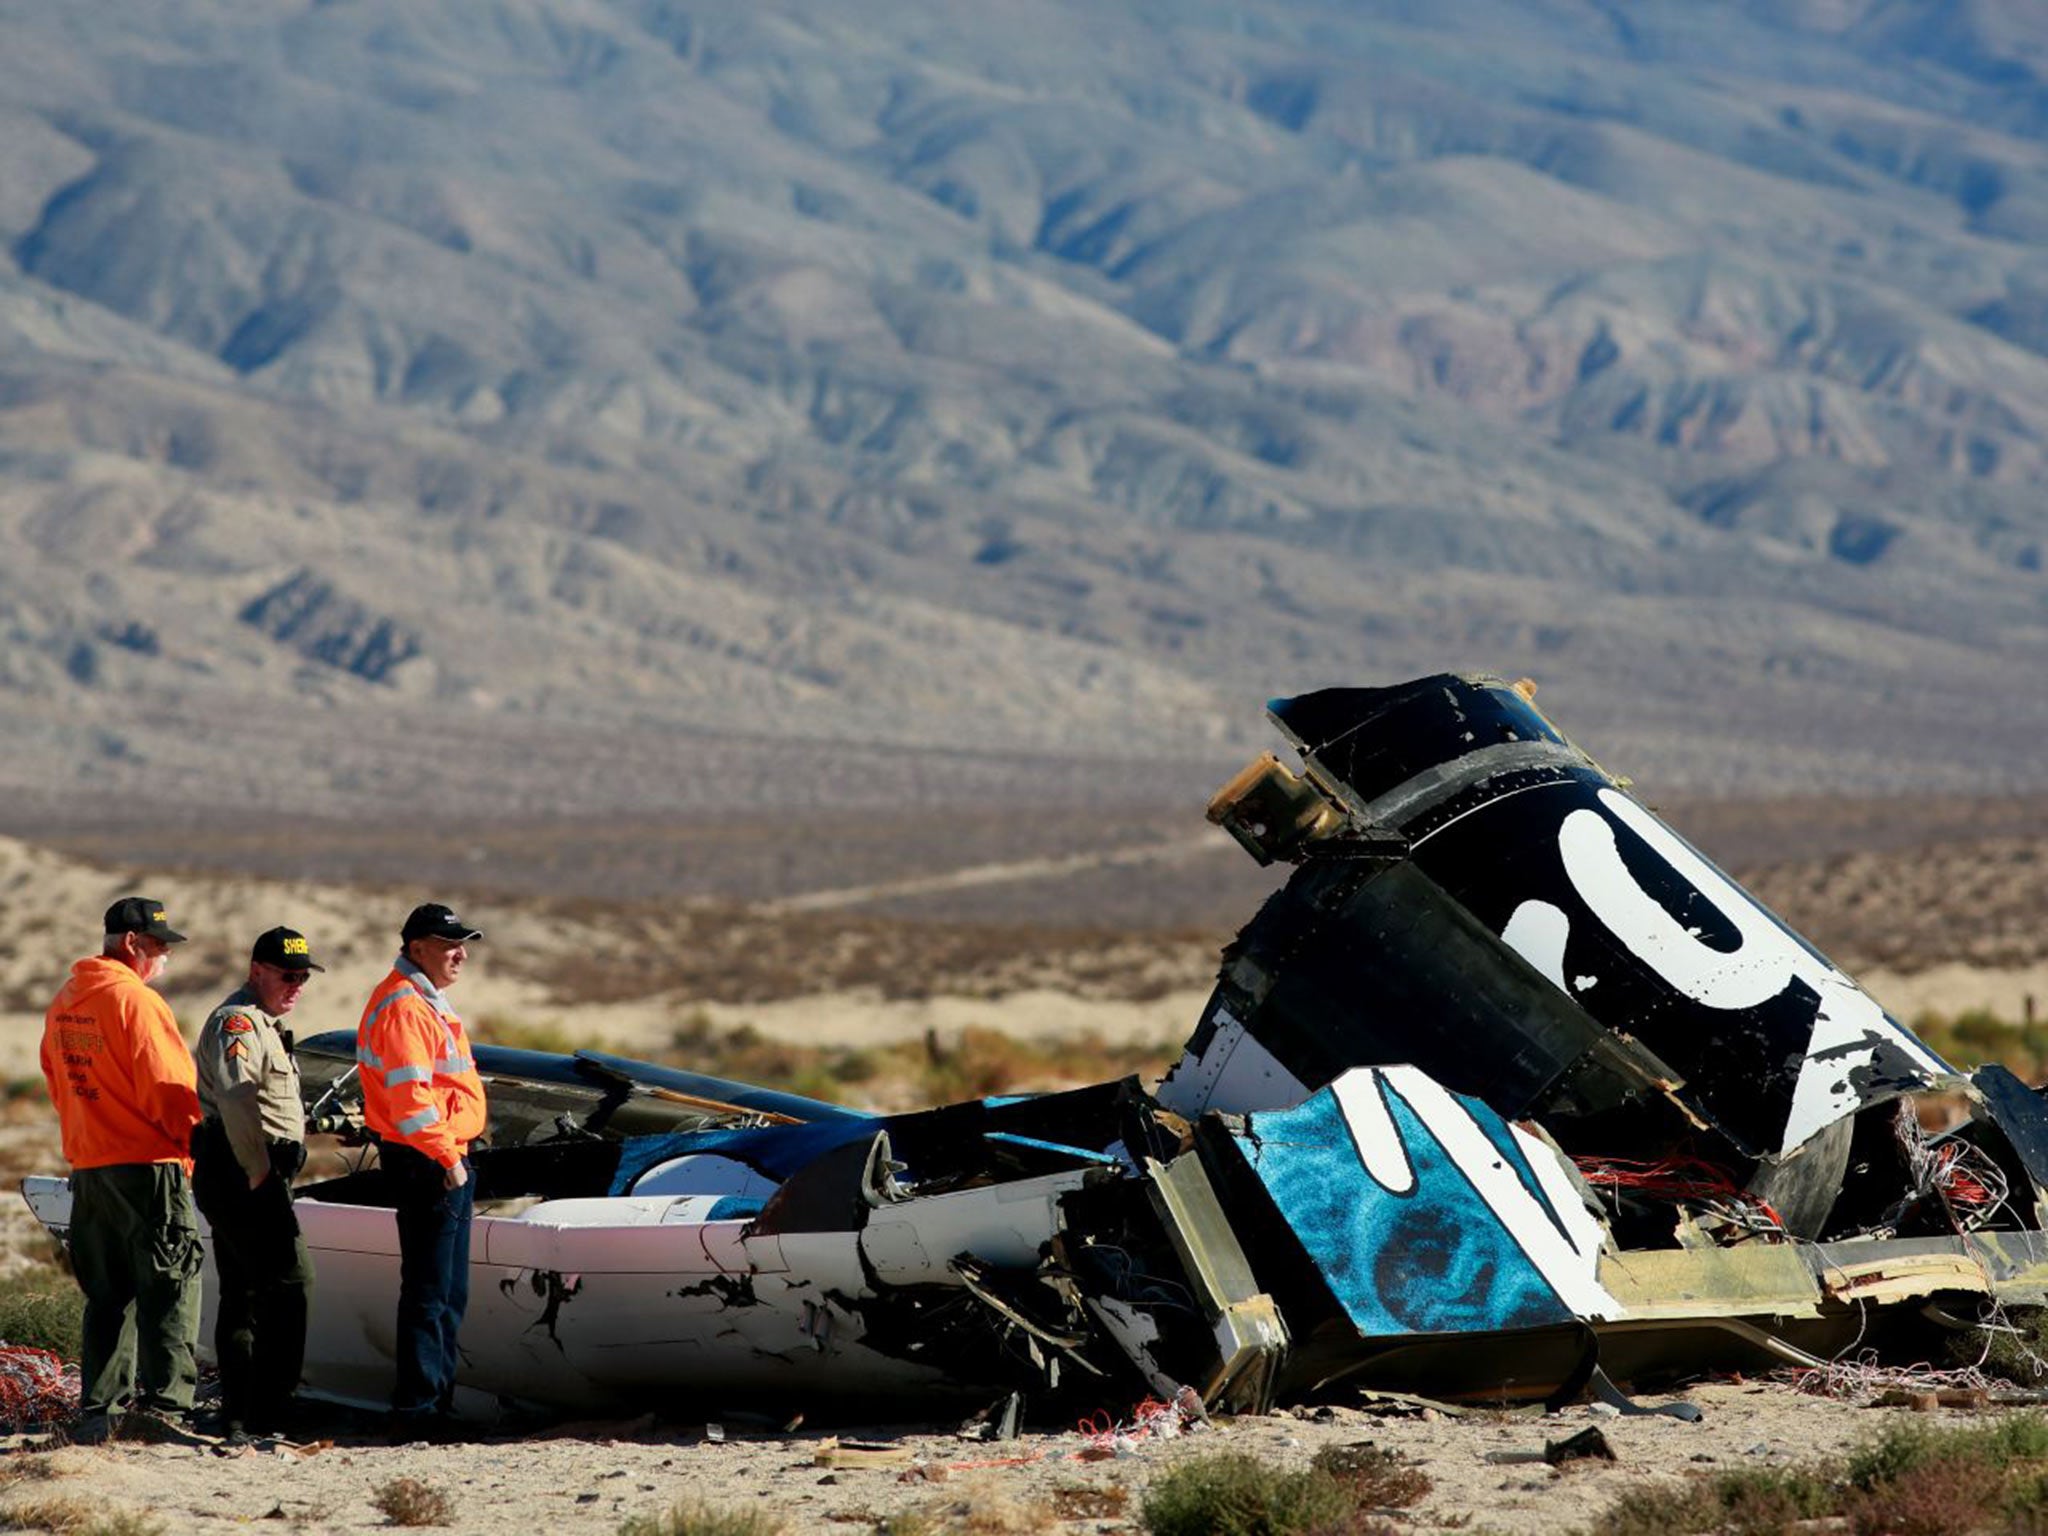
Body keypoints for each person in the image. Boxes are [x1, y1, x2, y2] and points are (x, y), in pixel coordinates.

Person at [39, 897, 205, 1443]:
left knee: (108, 1294)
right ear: (131, 944)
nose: (163, 957)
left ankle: (99, 1411)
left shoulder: (66, 1001)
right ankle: (167, 1409)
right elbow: (168, 1089)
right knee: (170, 1286)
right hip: (149, 1165)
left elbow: (55, 1077)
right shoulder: (136, 1000)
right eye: (158, 945)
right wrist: (193, 1146)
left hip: (90, 1165)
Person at [355, 902, 486, 1440]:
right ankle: (419, 1413)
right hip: (430, 1161)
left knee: (446, 1292)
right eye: (447, 943)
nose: (460, 953)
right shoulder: (407, 1007)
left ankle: (434, 1407)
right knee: (432, 1292)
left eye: (463, 942)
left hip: (439, 1156)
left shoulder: (423, 1000)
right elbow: (412, 1103)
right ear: (416, 948)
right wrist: (449, 1158)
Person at [191, 926, 323, 1446]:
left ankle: (244, 1415)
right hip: (241, 1169)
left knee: (245, 1292)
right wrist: (260, 1171)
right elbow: (237, 1098)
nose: (296, 986)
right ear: (257, 972)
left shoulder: (264, 1022)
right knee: (291, 1283)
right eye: (287, 976)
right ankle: (268, 1409)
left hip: (245, 1167)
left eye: (303, 977)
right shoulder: (239, 1022)